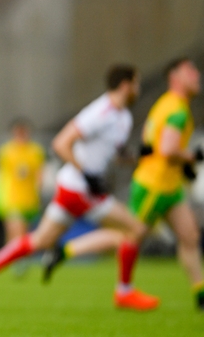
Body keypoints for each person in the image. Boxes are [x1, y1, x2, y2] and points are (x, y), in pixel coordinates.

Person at [0, 64, 159, 311]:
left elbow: (114, 153)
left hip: (75, 188)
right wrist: (87, 174)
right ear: (125, 85)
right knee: (135, 229)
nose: (138, 89)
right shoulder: (100, 112)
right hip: (80, 189)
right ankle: (124, 292)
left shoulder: (123, 117)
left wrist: (139, 155)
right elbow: (60, 144)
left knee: (40, 240)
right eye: (136, 84)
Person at [43, 57, 203, 310]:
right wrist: (192, 156)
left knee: (189, 236)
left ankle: (200, 292)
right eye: (190, 71)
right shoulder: (175, 109)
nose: (197, 75)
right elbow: (167, 147)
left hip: (169, 184)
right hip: (155, 184)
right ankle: (83, 262)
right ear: (175, 77)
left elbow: (150, 142)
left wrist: (179, 164)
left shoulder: (164, 105)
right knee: (132, 232)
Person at [0, 118, 45, 275]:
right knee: (14, 230)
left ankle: (16, 259)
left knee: (23, 233)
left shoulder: (35, 151)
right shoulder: (6, 151)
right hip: (11, 197)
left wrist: (38, 190)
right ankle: (14, 262)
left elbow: (39, 174)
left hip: (29, 199)